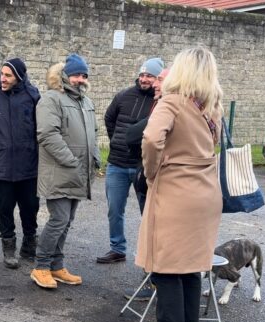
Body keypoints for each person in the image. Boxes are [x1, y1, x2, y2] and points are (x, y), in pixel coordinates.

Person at [136, 46, 223, 322]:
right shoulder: (212, 107)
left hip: (176, 194)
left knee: (165, 269)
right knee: (189, 270)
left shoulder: (171, 101)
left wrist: (152, 171)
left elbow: (150, 139)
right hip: (206, 195)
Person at [30, 54, 100, 289]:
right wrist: (71, 161)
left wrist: (96, 158)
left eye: (84, 75)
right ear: (64, 76)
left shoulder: (86, 102)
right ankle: (41, 266)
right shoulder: (51, 99)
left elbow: (94, 132)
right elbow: (48, 135)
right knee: (58, 219)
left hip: (79, 173)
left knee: (67, 220)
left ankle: (56, 266)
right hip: (60, 171)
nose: (80, 79)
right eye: (76, 74)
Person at [96, 57, 164, 264]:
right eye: (142, 74)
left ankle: (150, 256)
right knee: (114, 209)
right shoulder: (124, 95)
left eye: (149, 76)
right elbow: (109, 118)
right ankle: (117, 248)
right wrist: (117, 141)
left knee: (149, 213)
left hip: (142, 166)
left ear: (157, 78)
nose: (144, 79)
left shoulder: (161, 101)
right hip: (117, 163)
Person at [0, 58, 41, 269]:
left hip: (28, 164)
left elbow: (41, 131)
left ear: (19, 77)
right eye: (1, 74)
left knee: (30, 207)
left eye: (8, 75)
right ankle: (9, 249)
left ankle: (29, 245)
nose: (2, 78)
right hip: (1, 164)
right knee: (4, 208)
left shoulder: (33, 96)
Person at [123, 66, 169, 301]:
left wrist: (148, 172)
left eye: (159, 79)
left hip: (162, 185)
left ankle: (154, 285)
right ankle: (157, 284)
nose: (154, 84)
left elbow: (138, 136)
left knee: (155, 236)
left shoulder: (169, 106)